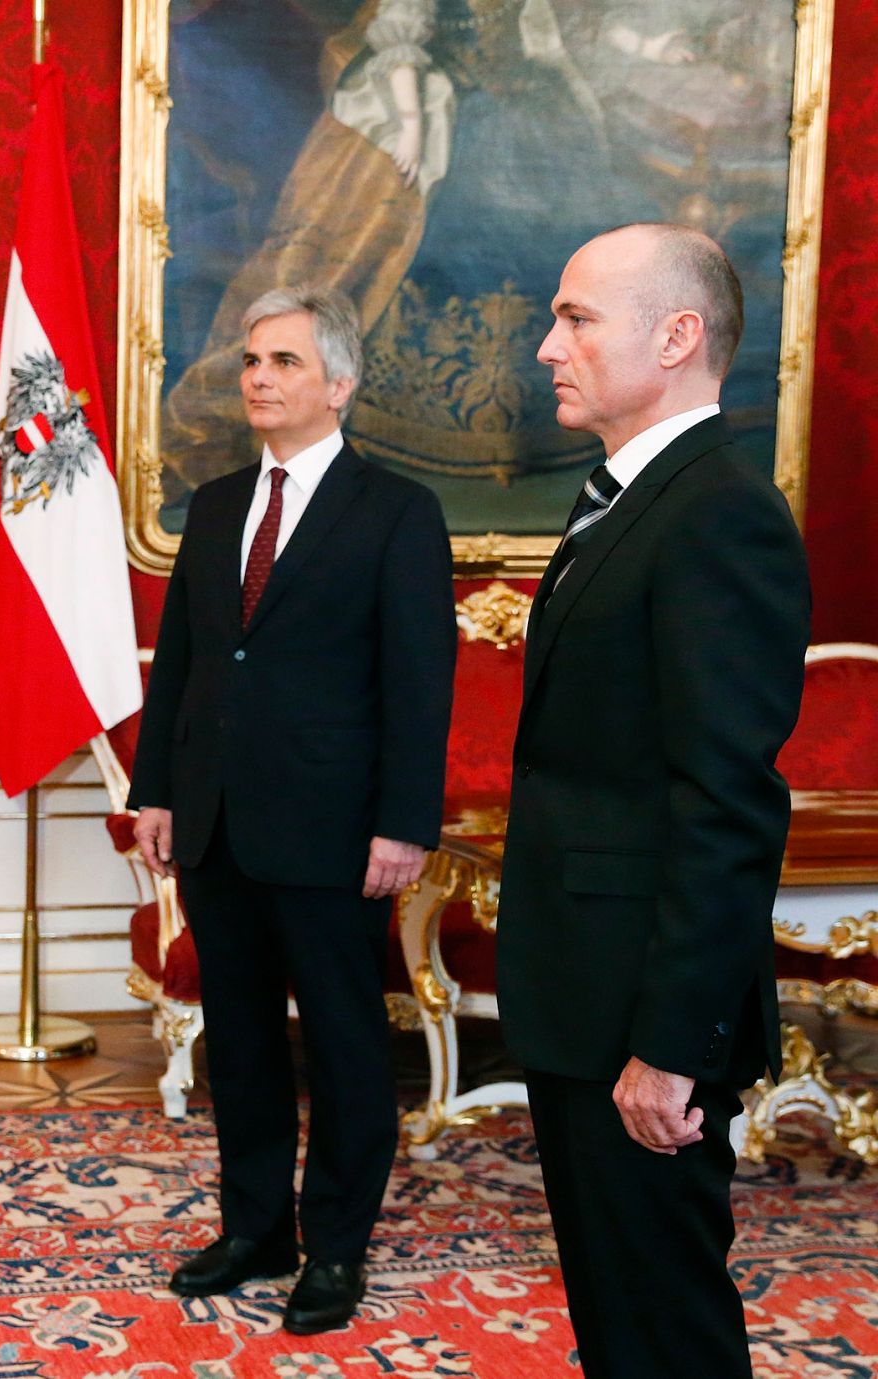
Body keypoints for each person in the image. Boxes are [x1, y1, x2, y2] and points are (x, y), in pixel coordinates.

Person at [497, 223, 811, 1378]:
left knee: (665, 1327)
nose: (547, 347)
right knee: (618, 1316)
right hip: (585, 991)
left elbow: (725, 804)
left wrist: (671, 1047)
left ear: (674, 337)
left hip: (643, 1013)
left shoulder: (716, 510)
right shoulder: (629, 495)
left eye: (575, 319)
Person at [129, 285, 455, 1333]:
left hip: (334, 834)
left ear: (340, 383)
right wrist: (155, 789)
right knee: (240, 1043)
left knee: (347, 1047)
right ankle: (255, 1228)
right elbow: (184, 662)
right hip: (216, 823)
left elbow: (419, 683)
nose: (258, 378)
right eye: (250, 361)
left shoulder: (395, 511)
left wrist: (403, 823)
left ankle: (337, 1246)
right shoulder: (218, 503)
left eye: (283, 362)